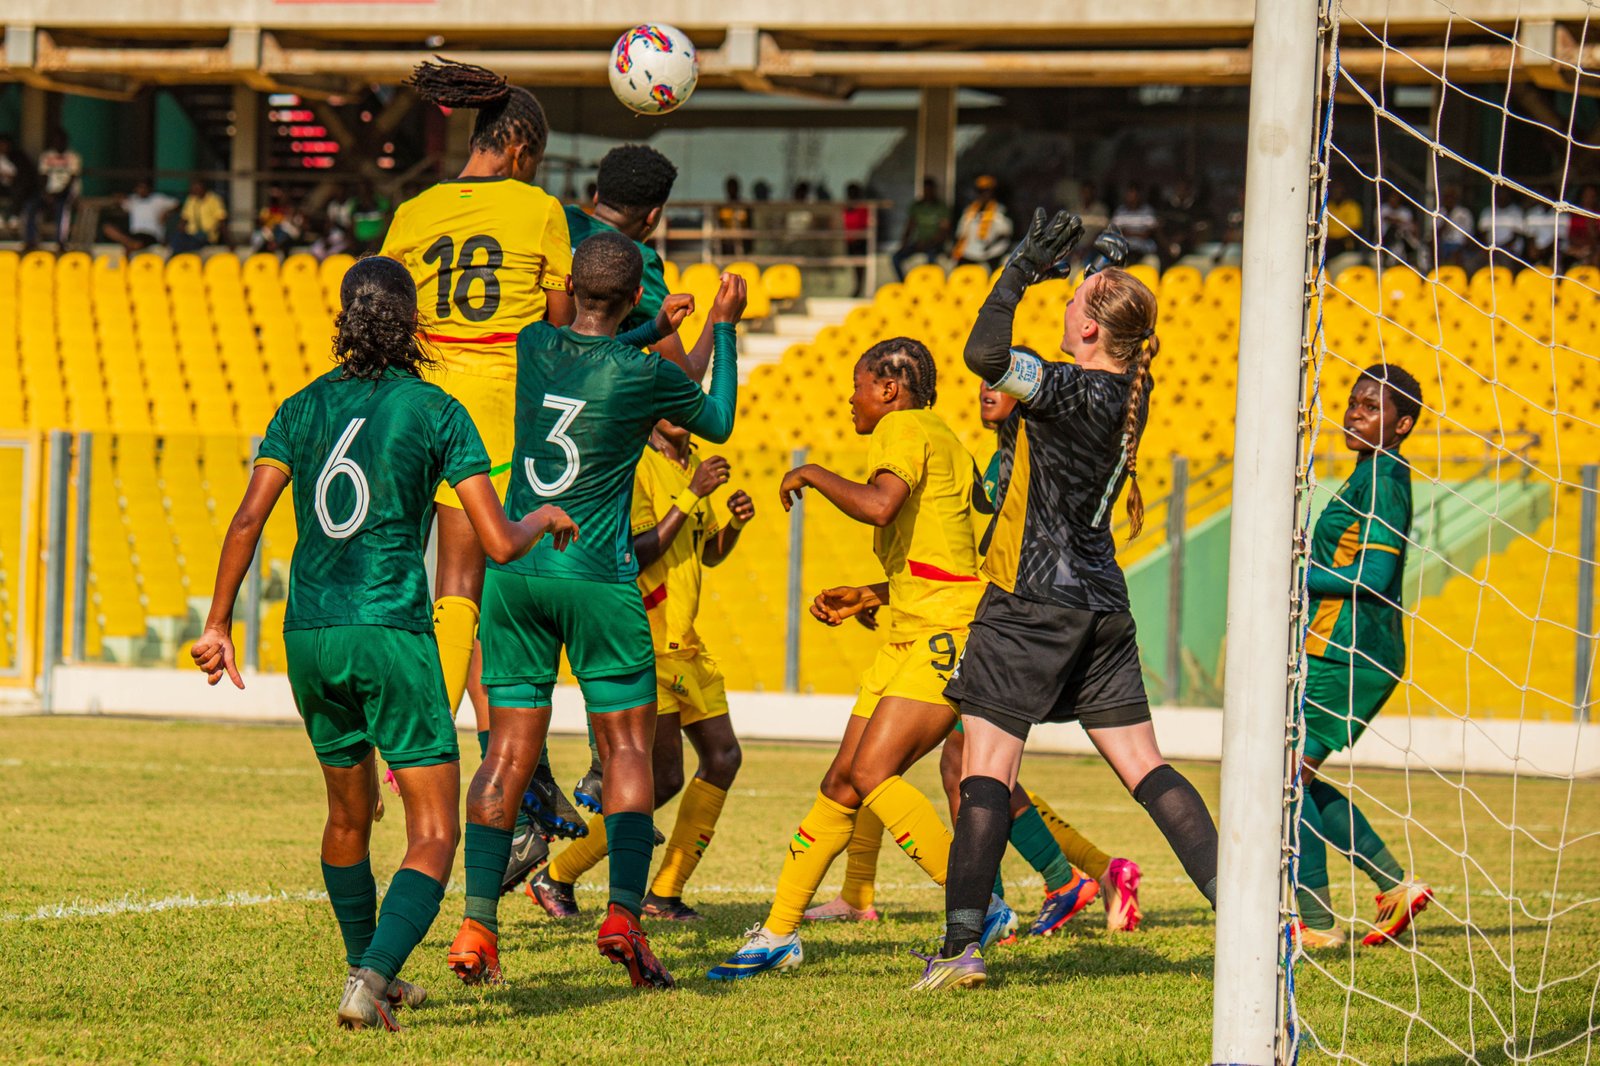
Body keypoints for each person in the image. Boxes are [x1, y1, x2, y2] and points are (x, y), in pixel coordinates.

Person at [189, 255, 577, 1031]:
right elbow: (497, 543)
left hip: (312, 636)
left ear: (344, 319)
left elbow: (245, 520)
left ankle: (369, 970)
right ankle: (371, 979)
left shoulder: (299, 407)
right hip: (391, 632)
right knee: (434, 831)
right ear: (414, 326)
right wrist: (546, 518)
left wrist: (218, 623)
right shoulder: (437, 409)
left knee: (348, 815)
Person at [919, 210, 1220, 990]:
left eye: (1076, 302)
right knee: (1145, 766)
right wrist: (1101, 268)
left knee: (984, 766)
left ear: (1089, 330)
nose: (1064, 306)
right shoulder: (1127, 390)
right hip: (1100, 601)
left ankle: (959, 949)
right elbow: (1066, 364)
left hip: (1031, 599)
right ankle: (1258, 920)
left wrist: (1020, 267)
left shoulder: (1071, 388)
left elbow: (983, 355)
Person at [448, 232, 746, 992]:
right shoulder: (645, 376)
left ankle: (478, 922)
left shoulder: (534, 342)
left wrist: (650, 325)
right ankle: (622, 917)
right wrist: (723, 324)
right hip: (599, 576)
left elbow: (592, 356)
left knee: (507, 756)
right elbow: (716, 418)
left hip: (518, 569)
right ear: (634, 299)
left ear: (574, 287)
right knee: (626, 753)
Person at [706, 337, 1016, 981]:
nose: (850, 397)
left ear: (889, 388)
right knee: (842, 782)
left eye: (857, 384)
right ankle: (779, 933)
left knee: (873, 772)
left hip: (943, 637)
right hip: (914, 626)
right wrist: (872, 593)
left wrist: (812, 473)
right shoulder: (940, 433)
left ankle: (979, 903)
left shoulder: (902, 427)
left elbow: (881, 504)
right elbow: (948, 549)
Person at [805, 367, 1141, 938]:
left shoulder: (1022, 462)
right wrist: (880, 591)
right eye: (985, 383)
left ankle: (1045, 887)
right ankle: (1081, 877)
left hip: (1013, 622)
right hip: (997, 616)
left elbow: (990, 565)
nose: (989, 391)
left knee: (962, 766)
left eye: (1005, 383)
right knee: (965, 765)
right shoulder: (988, 459)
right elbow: (964, 562)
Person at [380, 58, 587, 854]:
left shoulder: (414, 211)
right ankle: (456, 747)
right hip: (499, 415)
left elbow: (387, 315)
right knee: (487, 597)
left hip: (419, 409)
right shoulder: (539, 213)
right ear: (521, 145)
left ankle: (505, 767)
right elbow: (560, 328)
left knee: (448, 591)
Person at [529, 422, 753, 922]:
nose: (681, 406)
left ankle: (663, 892)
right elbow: (632, 552)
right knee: (663, 777)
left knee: (723, 757)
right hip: (647, 640)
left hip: (686, 644)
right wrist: (692, 497)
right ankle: (559, 875)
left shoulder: (691, 463)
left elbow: (704, 552)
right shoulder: (637, 464)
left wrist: (733, 525)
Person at [1294, 364, 1432, 950]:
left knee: (1286, 779)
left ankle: (1319, 925)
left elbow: (1375, 574)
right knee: (1294, 775)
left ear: (1401, 426)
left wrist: (1295, 572)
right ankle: (1393, 888)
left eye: (1372, 408)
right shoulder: (1368, 472)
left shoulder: (1384, 479)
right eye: (1354, 402)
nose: (1355, 413)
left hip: (1351, 652)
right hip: (1336, 647)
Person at [22, 129, 80, 251]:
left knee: (63, 208)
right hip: (48, 192)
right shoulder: (47, 156)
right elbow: (42, 176)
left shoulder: (73, 157)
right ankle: (30, 241)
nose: (58, 143)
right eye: (56, 141)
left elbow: (72, 179)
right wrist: (46, 193)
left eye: (61, 141)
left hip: (65, 193)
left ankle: (61, 242)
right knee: (31, 206)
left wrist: (58, 194)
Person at [892, 177, 951, 281]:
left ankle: (931, 285)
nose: (927, 192)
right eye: (925, 189)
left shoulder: (941, 207)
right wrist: (904, 244)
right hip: (919, 242)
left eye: (930, 190)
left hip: (935, 244)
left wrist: (928, 243)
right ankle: (905, 284)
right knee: (896, 258)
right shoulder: (917, 206)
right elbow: (909, 227)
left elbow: (944, 231)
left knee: (931, 259)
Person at [952, 175, 1013, 271]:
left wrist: (990, 245)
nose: (984, 194)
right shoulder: (969, 211)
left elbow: (1005, 233)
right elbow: (961, 233)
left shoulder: (1000, 210)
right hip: (970, 253)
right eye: (981, 191)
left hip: (992, 254)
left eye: (987, 191)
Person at [100, 179, 178, 253]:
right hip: (135, 233)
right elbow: (119, 202)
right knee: (108, 228)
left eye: (143, 187)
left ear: (149, 188)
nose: (141, 190)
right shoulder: (133, 200)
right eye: (139, 188)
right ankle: (131, 243)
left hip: (151, 235)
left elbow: (176, 204)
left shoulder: (158, 199)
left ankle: (131, 245)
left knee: (138, 242)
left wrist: (166, 212)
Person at [171, 180, 228, 253]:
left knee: (194, 243)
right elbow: (184, 218)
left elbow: (222, 221)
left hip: (207, 236)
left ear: (204, 189)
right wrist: (180, 229)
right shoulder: (191, 199)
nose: (195, 191)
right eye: (193, 189)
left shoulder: (214, 200)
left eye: (197, 189)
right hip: (191, 234)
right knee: (177, 239)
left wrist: (228, 241)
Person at [1109, 184, 1160, 262]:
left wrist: (1128, 232)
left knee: (1153, 262)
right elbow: (1116, 233)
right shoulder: (1120, 212)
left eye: (1135, 195)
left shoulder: (1147, 211)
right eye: (1130, 195)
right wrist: (1138, 233)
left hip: (1143, 251)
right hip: (1124, 252)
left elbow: (1147, 234)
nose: (1133, 198)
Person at [1432, 184, 1476, 270]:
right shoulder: (1439, 213)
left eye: (1451, 197)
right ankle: (1435, 271)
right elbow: (1436, 234)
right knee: (1433, 246)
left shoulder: (1464, 213)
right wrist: (1447, 216)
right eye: (1447, 197)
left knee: (1457, 253)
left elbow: (1469, 235)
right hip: (1444, 244)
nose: (1449, 200)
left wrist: (1461, 246)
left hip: (1459, 245)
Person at [1478, 186, 1526, 263]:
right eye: (1499, 193)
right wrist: (1488, 248)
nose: (1501, 196)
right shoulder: (1487, 211)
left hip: (1509, 250)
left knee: (1504, 260)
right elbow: (1483, 233)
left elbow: (1516, 236)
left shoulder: (1516, 212)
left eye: (1504, 193)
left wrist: (1500, 249)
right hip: (1490, 249)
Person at [0, 134, 35, 234]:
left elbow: (26, 175)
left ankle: (14, 217)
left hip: (15, 187)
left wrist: (11, 178)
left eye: (4, 144)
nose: (2, 147)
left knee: (20, 189)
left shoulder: (18, 157)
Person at [1326, 179, 1364, 257]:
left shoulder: (1351, 206)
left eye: (1339, 189)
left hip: (1343, 244)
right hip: (1327, 243)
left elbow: (1355, 229)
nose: (1336, 192)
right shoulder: (1326, 207)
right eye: (1334, 189)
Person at [717, 175, 749, 257]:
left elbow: (749, 224)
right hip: (727, 241)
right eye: (730, 187)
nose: (732, 190)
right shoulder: (722, 206)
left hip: (742, 239)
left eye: (734, 187)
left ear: (738, 188)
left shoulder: (744, 206)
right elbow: (719, 224)